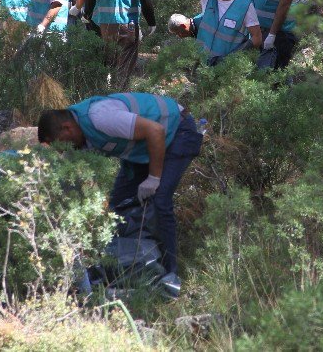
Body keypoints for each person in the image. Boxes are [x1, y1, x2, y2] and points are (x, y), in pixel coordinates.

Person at [37, 92, 204, 295]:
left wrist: (153, 178)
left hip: (177, 132)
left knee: (160, 201)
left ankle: (170, 276)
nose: (62, 150)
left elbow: (155, 130)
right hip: (141, 151)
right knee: (118, 207)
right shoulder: (80, 136)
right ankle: (132, 269)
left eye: (60, 143)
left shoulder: (100, 117)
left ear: (67, 128)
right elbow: (77, 182)